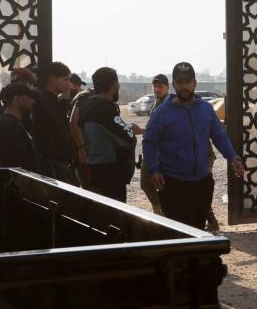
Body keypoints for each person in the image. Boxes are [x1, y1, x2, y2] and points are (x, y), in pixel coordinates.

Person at [142, 62, 241, 230]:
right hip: (173, 183)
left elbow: (219, 135)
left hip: (202, 182)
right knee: (180, 233)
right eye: (180, 82)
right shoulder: (162, 113)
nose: (184, 86)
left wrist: (233, 156)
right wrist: (153, 169)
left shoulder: (205, 109)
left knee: (197, 228)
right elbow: (149, 142)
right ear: (174, 84)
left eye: (188, 82)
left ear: (195, 83)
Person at [77, 66, 136, 201]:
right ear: (114, 85)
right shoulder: (104, 109)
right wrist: (131, 129)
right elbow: (127, 139)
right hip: (110, 175)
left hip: (93, 171)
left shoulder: (86, 105)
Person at [31, 61, 78, 184]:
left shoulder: (55, 100)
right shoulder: (41, 100)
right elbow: (56, 123)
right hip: (52, 161)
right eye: (65, 79)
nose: (68, 84)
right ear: (52, 79)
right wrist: (65, 102)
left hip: (61, 159)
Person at [0, 81, 45, 174]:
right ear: (17, 99)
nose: (33, 102)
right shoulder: (7, 126)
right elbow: (19, 161)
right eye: (29, 98)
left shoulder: (13, 123)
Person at [138, 73, 171, 215]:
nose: (157, 89)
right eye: (155, 86)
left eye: (160, 86)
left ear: (167, 87)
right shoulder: (157, 103)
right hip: (153, 148)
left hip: (163, 150)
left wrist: (141, 130)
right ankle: (159, 210)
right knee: (147, 183)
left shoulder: (169, 104)